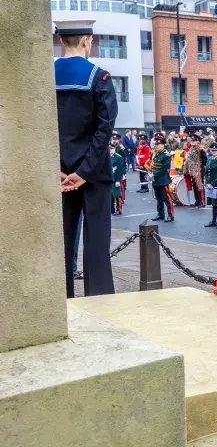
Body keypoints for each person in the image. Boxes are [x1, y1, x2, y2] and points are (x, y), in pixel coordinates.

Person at [54, 19, 118, 299]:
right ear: (85, 41)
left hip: (57, 174)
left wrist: (55, 167)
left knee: (61, 244)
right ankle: (99, 303)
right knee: (96, 247)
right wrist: (85, 171)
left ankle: (61, 301)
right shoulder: (98, 76)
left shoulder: (46, 75)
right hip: (94, 176)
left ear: (60, 42)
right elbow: (105, 128)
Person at [147, 133, 174, 222]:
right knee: (158, 199)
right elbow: (153, 165)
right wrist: (150, 173)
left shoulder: (166, 155)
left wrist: (153, 175)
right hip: (156, 180)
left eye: (158, 144)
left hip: (163, 180)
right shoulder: (156, 154)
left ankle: (170, 215)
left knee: (167, 199)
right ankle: (160, 214)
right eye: (156, 144)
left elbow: (164, 168)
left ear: (163, 145)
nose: (156, 146)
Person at [183, 133, 206, 208]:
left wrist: (201, 166)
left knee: (200, 186)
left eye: (193, 140)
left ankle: (202, 202)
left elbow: (204, 159)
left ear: (197, 141)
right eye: (191, 140)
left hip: (198, 169)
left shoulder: (200, 148)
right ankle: (197, 201)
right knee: (195, 186)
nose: (191, 141)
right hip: (192, 170)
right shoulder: (191, 147)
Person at [110, 144, 126, 215]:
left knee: (117, 195)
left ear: (114, 149)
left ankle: (119, 209)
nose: (110, 150)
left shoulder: (118, 157)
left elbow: (120, 170)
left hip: (116, 177)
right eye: (109, 149)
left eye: (112, 149)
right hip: (110, 178)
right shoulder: (107, 156)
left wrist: (118, 180)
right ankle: (111, 209)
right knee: (110, 195)